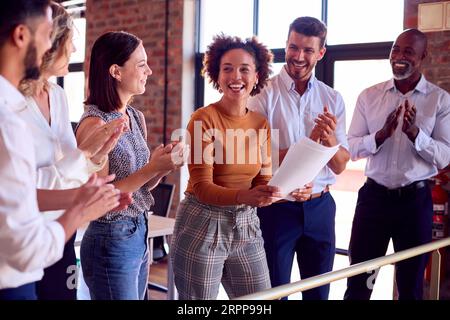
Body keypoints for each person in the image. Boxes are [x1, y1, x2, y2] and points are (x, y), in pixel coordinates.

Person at [0, 0, 129, 300]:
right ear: (22, 36)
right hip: (21, 264)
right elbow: (25, 243)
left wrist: (91, 157)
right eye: (49, 35)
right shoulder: (10, 115)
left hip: (54, 238)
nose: (62, 48)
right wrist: (80, 207)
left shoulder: (55, 96)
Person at [171, 34, 291, 300]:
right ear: (217, 74)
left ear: (257, 75)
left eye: (244, 69)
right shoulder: (203, 119)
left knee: (259, 301)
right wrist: (244, 195)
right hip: (202, 222)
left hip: (247, 222)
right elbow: (202, 187)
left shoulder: (261, 124)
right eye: (227, 68)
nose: (236, 76)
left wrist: (272, 192)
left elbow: (263, 178)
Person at [75, 31, 186, 300]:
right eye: (141, 64)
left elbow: (141, 185)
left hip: (139, 230)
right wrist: (151, 168)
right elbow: (104, 196)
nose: (149, 70)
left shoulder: (136, 117)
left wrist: (161, 166)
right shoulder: (94, 124)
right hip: (110, 236)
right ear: (115, 71)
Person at [248, 16, 350, 300]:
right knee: (273, 293)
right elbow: (251, 155)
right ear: (286, 45)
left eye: (308, 50)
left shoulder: (333, 98)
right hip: (276, 210)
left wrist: (328, 139)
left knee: (318, 294)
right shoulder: (262, 94)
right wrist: (300, 156)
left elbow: (340, 165)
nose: (299, 56)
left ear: (321, 53)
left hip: (321, 209)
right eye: (294, 47)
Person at [345, 29, 450, 300]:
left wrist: (416, 134)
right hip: (373, 201)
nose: (399, 57)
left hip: (414, 204)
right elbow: (352, 147)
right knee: (359, 283)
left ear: (423, 56)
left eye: (408, 52)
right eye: (395, 50)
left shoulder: (440, 101)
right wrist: (380, 136)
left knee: (411, 287)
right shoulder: (369, 96)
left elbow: (444, 156)